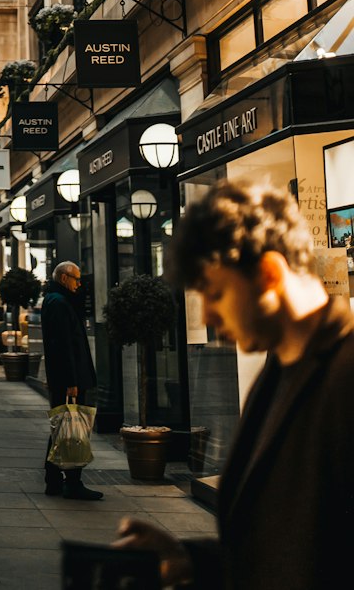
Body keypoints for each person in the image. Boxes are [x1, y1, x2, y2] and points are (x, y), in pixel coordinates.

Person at [113, 179, 354, 588]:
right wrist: (189, 559)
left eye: (216, 292)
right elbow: (277, 545)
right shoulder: (276, 373)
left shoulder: (344, 375)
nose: (207, 313)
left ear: (269, 274)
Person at [41, 260, 102, 500]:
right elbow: (63, 345)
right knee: (70, 428)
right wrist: (71, 380)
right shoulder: (59, 302)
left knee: (62, 426)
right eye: (76, 279)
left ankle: (54, 479)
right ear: (64, 278)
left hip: (66, 376)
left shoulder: (57, 300)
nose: (80, 283)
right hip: (68, 378)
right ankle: (71, 480)